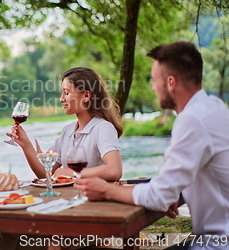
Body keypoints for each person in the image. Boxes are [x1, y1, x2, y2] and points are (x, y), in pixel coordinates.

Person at [75, 41, 229, 250]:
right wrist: (175, 190)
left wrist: (105, 191)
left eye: (154, 80)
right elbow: (201, 174)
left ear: (171, 82)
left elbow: (159, 196)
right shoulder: (214, 108)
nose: (152, 87)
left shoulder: (192, 120)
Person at [0, 67, 123, 250]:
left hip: (89, 216)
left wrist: (73, 174)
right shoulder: (68, 130)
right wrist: (26, 144)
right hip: (63, 209)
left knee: (49, 241)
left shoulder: (103, 128)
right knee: (4, 227)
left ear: (86, 96)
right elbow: (46, 174)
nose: (61, 99)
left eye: (66, 93)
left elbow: (114, 170)